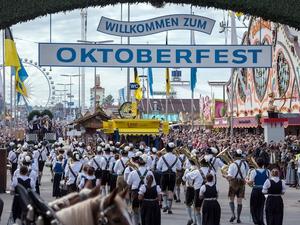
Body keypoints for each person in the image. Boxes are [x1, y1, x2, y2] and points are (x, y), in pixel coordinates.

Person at [127, 154, 154, 225]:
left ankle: (136, 223)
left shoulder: (133, 173)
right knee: (145, 210)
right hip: (147, 192)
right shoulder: (150, 172)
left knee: (135, 210)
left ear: (137, 162)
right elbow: (153, 184)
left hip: (135, 192)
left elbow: (128, 183)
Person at [157, 142, 181, 214]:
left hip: (164, 174)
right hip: (173, 175)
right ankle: (169, 208)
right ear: (173, 149)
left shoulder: (163, 157)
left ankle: (165, 205)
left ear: (166, 149)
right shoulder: (176, 158)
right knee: (170, 191)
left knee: (163, 190)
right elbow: (179, 168)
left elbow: (158, 168)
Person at [227, 149, 249, 223]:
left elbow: (230, 175)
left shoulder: (232, 164)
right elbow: (247, 173)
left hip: (233, 182)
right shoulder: (245, 163)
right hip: (242, 182)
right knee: (239, 201)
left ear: (235, 156)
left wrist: (226, 176)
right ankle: (238, 218)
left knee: (231, 199)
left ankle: (233, 214)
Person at [247, 157, 270, 225]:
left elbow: (250, 182)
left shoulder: (253, 171)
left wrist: (246, 181)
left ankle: (255, 220)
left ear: (256, 163)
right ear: (263, 164)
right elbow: (269, 181)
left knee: (253, 206)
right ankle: (261, 220)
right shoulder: (267, 171)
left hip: (255, 190)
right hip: (263, 191)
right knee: (261, 206)